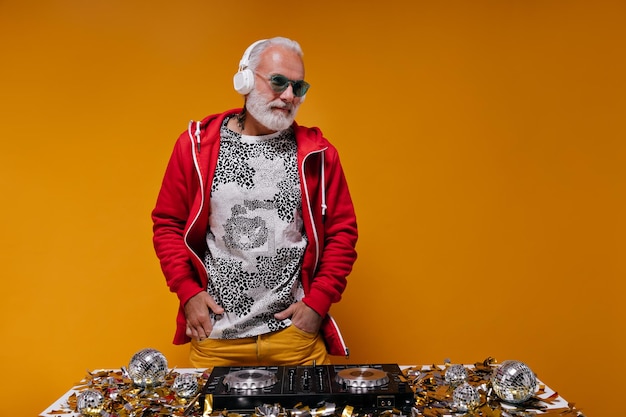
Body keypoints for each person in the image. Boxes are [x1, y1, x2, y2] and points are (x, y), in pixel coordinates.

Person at [152, 36, 358, 368]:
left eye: (298, 86)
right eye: (278, 82)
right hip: (217, 337)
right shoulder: (196, 146)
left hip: (295, 338)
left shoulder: (319, 154)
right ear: (245, 79)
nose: (289, 96)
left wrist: (317, 304)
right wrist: (188, 293)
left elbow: (343, 234)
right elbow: (167, 224)